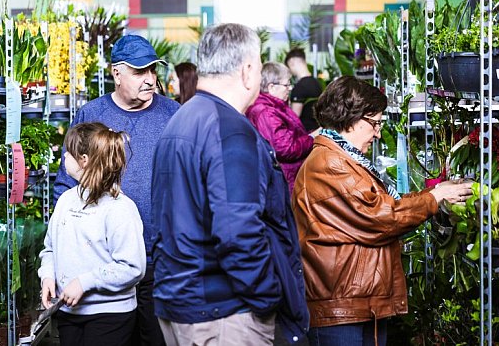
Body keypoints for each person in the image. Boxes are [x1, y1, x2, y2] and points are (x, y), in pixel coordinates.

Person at [151, 23, 309, 346]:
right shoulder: (229, 129)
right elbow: (237, 231)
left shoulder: (181, 118)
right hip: (222, 314)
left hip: (181, 302)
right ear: (248, 70)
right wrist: (268, 295)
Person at [292, 76, 473, 346]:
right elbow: (381, 217)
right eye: (374, 123)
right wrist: (434, 198)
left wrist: (433, 194)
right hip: (341, 306)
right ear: (351, 119)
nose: (377, 133)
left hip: (352, 300)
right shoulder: (331, 164)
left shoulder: (341, 158)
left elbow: (382, 205)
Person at [54, 34, 180, 346]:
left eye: (152, 70)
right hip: (100, 262)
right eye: (140, 72)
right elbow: (67, 184)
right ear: (116, 73)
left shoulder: (174, 115)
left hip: (158, 259)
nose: (150, 79)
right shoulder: (91, 115)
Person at [39, 122, 147, 346]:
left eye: (68, 152)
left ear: (84, 160)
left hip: (110, 316)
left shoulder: (120, 208)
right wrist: (48, 275)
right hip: (69, 313)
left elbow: (132, 266)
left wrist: (85, 282)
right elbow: (50, 247)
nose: (64, 156)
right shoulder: (67, 200)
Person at [247, 62, 320, 194]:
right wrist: (312, 138)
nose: (290, 88)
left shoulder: (277, 107)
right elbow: (284, 148)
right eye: (286, 85)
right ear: (271, 87)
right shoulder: (266, 112)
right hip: (284, 180)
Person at [285, 48, 322, 132]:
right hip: (317, 130)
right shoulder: (317, 83)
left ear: (291, 63)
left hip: (304, 133)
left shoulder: (300, 87)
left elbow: (294, 117)